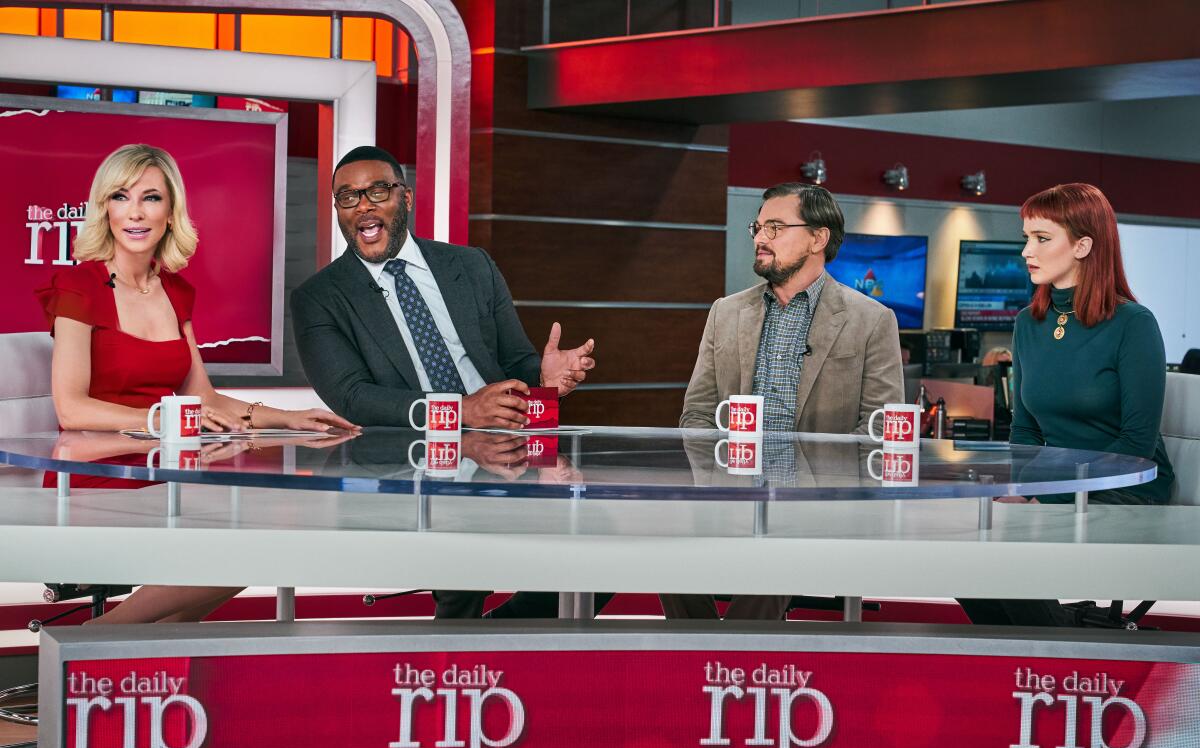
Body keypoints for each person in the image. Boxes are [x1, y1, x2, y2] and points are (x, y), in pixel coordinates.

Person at [36, 143, 357, 625]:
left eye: (151, 198)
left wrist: (291, 418)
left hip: (167, 473)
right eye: (122, 197)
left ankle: (131, 667)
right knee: (252, 536)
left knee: (285, 525)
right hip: (97, 481)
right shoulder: (78, 287)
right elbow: (72, 409)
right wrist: (161, 418)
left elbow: (201, 397)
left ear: (171, 211)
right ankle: (87, 641)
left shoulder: (175, 290)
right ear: (105, 208)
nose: (136, 213)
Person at [291, 145, 597, 619]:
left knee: (606, 546)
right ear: (337, 210)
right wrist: (460, 412)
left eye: (377, 190)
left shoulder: (471, 265)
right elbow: (352, 397)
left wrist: (544, 377)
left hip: (511, 449)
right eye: (348, 197)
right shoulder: (319, 298)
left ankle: (503, 639)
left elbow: (515, 361)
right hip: (414, 467)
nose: (364, 206)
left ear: (406, 198)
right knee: (462, 568)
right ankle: (458, 661)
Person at [663, 182, 904, 621]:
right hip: (730, 494)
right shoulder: (726, 312)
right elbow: (697, 414)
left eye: (775, 227)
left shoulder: (871, 320)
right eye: (758, 226)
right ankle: (698, 648)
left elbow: (879, 429)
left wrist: (817, 493)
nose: (759, 237)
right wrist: (714, 485)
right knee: (662, 548)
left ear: (818, 238)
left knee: (782, 554)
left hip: (817, 503)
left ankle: (726, 661)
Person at [960, 183, 1176, 627]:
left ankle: (1057, 658)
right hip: (1055, 486)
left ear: (1083, 245)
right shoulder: (1027, 323)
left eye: (1041, 238)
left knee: (1002, 557)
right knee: (961, 549)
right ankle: (1027, 659)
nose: (1026, 251)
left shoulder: (1133, 324)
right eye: (1026, 237)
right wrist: (1017, 491)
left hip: (1126, 489)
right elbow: (1024, 431)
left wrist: (1047, 498)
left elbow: (1135, 444)